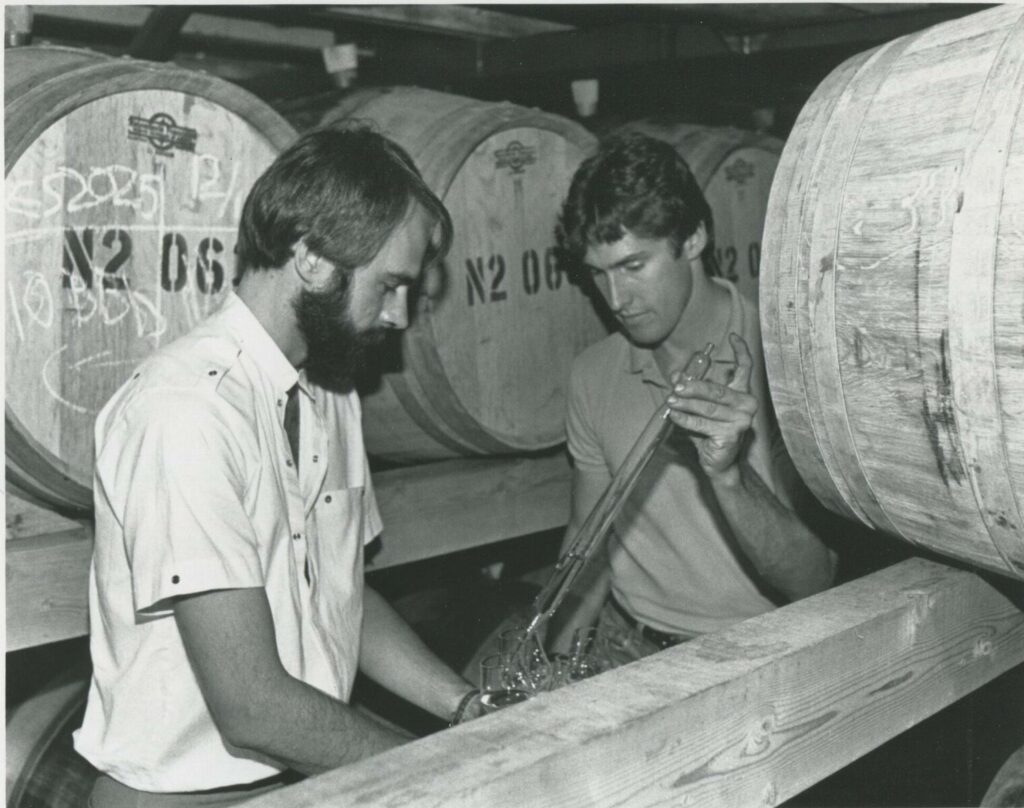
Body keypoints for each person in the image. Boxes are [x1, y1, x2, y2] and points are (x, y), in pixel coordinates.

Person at [74, 126, 484, 807]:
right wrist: (439, 774)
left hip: (305, 776)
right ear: (314, 259)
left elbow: (338, 597)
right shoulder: (186, 412)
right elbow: (252, 707)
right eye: (389, 285)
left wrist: (466, 708)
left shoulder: (331, 388)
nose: (401, 314)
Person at [548, 132, 836, 666]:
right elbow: (587, 544)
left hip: (754, 652)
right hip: (622, 648)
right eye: (597, 274)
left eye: (634, 266)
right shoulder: (594, 374)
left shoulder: (784, 362)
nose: (615, 301)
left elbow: (818, 579)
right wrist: (555, 673)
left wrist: (729, 475)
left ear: (695, 238)